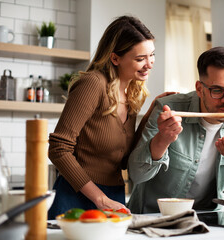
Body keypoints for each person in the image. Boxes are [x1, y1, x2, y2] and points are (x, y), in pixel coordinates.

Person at [48, 15, 173, 219]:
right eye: (140, 59)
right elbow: (58, 148)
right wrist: (100, 199)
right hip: (76, 195)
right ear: (115, 58)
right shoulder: (93, 84)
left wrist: (152, 111)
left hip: (114, 193)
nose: (149, 64)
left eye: (152, 55)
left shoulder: (132, 92)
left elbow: (125, 160)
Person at [127, 47, 224, 213]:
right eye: (217, 90)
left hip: (208, 218)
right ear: (200, 89)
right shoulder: (169, 109)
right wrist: (162, 140)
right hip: (154, 216)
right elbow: (136, 175)